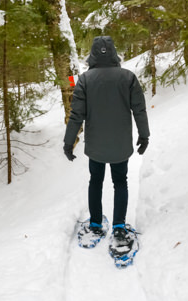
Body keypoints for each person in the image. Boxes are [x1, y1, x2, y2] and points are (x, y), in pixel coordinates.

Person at [63, 35, 150, 252]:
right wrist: (144, 135)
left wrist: (68, 142)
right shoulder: (128, 77)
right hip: (121, 145)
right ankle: (119, 227)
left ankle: (94, 224)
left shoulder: (84, 80)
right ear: (114, 53)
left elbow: (76, 115)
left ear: (92, 54)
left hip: (96, 146)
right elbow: (139, 109)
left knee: (96, 181)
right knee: (120, 181)